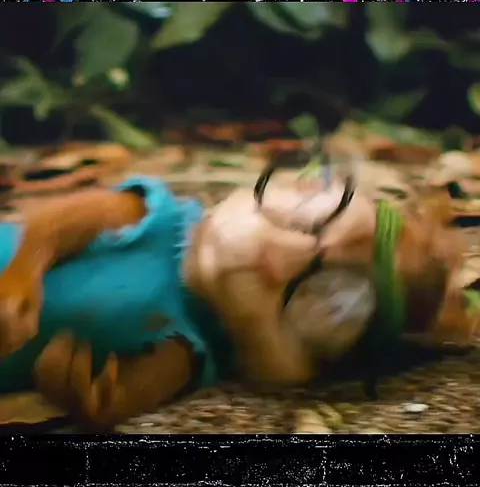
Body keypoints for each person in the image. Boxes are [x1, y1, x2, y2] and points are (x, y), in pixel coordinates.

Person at [0, 161, 466, 430]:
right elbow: (61, 223)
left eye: (315, 305)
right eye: (299, 221)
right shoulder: (159, 222)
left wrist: (89, 397)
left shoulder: (189, 347)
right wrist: (23, 273)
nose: (273, 262)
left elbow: (124, 395)